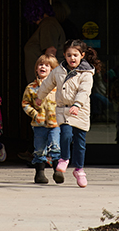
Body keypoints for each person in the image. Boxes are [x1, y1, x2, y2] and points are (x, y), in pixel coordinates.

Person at [36, 40, 94, 188]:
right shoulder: (58, 71)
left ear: (82, 55)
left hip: (80, 110)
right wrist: (39, 97)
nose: (72, 58)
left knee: (80, 143)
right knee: (66, 134)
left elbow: (84, 91)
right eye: (69, 55)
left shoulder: (87, 74)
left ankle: (79, 170)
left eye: (75, 55)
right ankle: (64, 159)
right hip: (64, 110)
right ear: (64, 55)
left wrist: (77, 104)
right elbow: (48, 83)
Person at [22, 52, 60, 184]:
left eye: (47, 65)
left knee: (55, 146)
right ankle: (40, 173)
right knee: (39, 149)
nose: (43, 67)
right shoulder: (31, 87)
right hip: (39, 124)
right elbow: (25, 103)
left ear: (53, 70)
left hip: (55, 124)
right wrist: (34, 114)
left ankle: (57, 171)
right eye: (40, 64)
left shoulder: (58, 87)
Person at [23, 0, 65, 83]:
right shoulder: (47, 24)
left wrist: (45, 82)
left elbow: (51, 51)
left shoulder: (48, 24)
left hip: (44, 85)